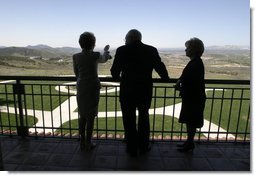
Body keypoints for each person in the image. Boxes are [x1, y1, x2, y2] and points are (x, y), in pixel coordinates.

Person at [111, 29, 170, 156]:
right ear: (139, 38)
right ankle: (143, 145)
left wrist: (120, 78)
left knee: (128, 118)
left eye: (125, 39)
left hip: (127, 90)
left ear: (129, 38)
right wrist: (165, 78)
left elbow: (114, 72)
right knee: (144, 117)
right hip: (144, 90)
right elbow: (160, 68)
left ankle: (131, 146)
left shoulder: (122, 50)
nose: (125, 41)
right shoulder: (151, 50)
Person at [73, 32, 111, 150]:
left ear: (80, 43)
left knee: (82, 115)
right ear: (93, 44)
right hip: (93, 88)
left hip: (81, 87)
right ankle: (88, 142)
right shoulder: (95, 55)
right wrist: (106, 51)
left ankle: (82, 140)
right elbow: (104, 59)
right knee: (90, 116)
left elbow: (76, 73)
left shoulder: (75, 56)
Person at [174, 37, 206, 152]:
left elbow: (191, 81)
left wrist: (180, 85)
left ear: (193, 49)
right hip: (194, 97)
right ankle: (189, 142)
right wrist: (180, 81)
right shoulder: (196, 62)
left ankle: (189, 143)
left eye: (187, 48)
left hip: (193, 98)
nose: (185, 50)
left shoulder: (195, 63)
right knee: (190, 121)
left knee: (191, 121)